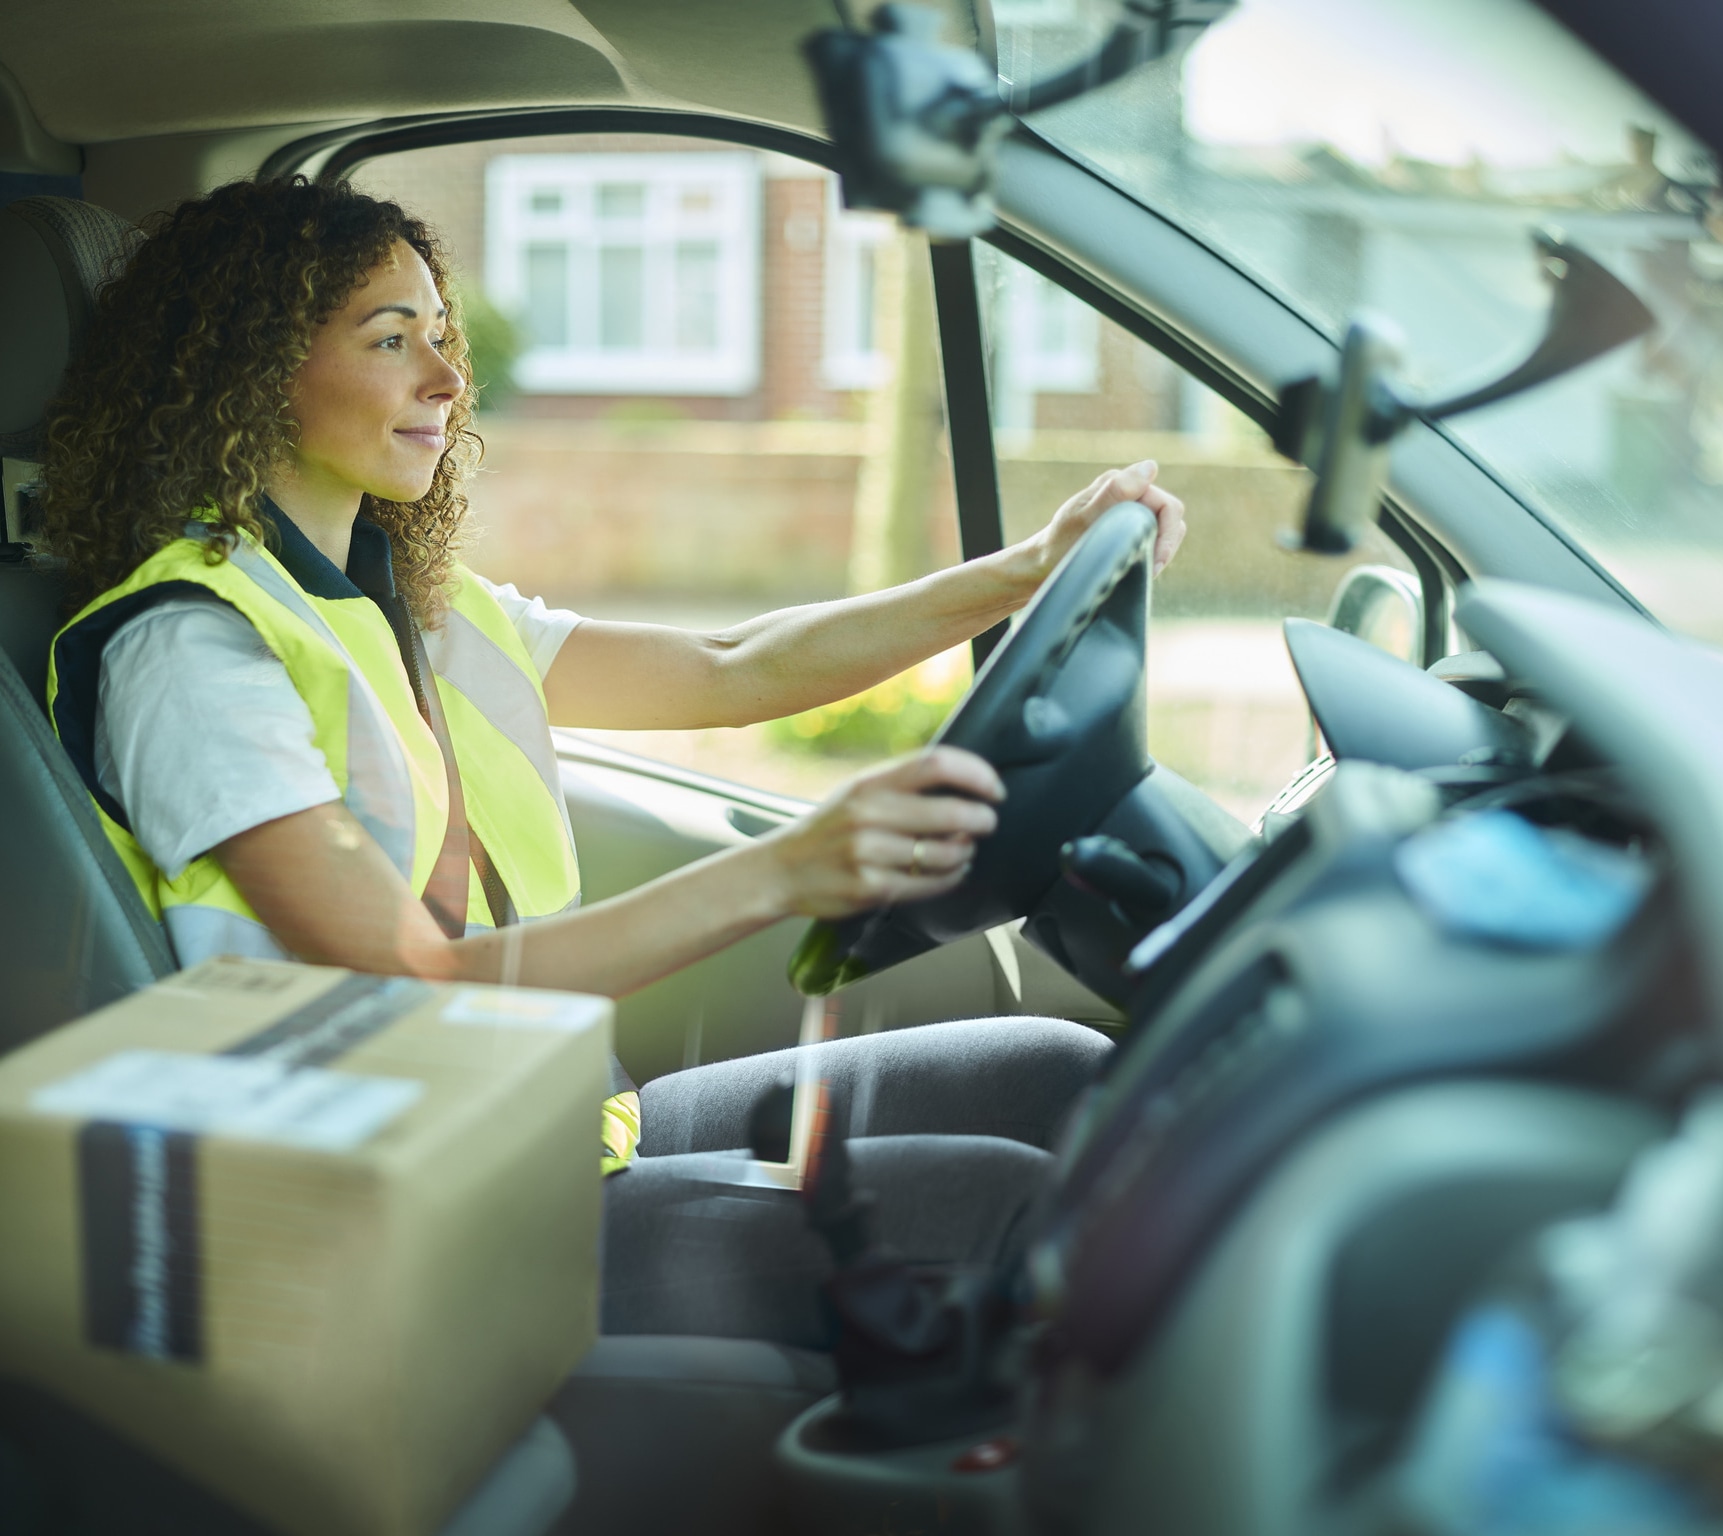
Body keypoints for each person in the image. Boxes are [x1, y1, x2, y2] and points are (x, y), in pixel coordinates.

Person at [40, 176, 1187, 1345]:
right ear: (251, 371)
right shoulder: (192, 649)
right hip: (402, 1215)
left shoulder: (420, 606)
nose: (446, 377)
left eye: (440, 333)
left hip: (534, 1128)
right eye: (391, 340)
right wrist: (789, 868)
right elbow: (412, 984)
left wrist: (1027, 570)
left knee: (1058, 1075)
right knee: (1007, 1213)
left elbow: (733, 666)